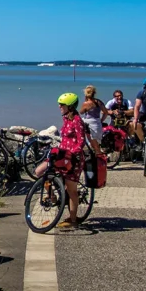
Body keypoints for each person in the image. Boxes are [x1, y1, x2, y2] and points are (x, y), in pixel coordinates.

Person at [35, 93, 91, 228]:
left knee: (71, 190)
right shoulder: (66, 119)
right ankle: (52, 196)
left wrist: (72, 153)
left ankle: (72, 220)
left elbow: (81, 141)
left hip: (73, 158)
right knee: (40, 172)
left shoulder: (77, 120)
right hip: (61, 155)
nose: (59, 106)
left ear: (70, 106)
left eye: (62, 104)